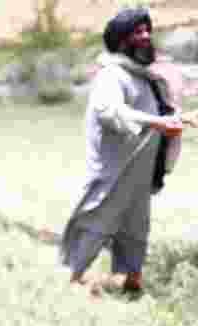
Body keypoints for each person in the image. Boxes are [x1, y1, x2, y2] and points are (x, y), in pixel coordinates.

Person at [61, 7, 183, 295]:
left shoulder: (142, 77)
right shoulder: (112, 75)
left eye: (147, 30)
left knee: (136, 229)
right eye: (138, 32)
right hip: (115, 171)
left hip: (140, 172)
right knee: (97, 222)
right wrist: (157, 122)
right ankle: (72, 279)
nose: (146, 36)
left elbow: (154, 112)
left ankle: (129, 280)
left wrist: (176, 118)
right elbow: (109, 111)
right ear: (121, 40)